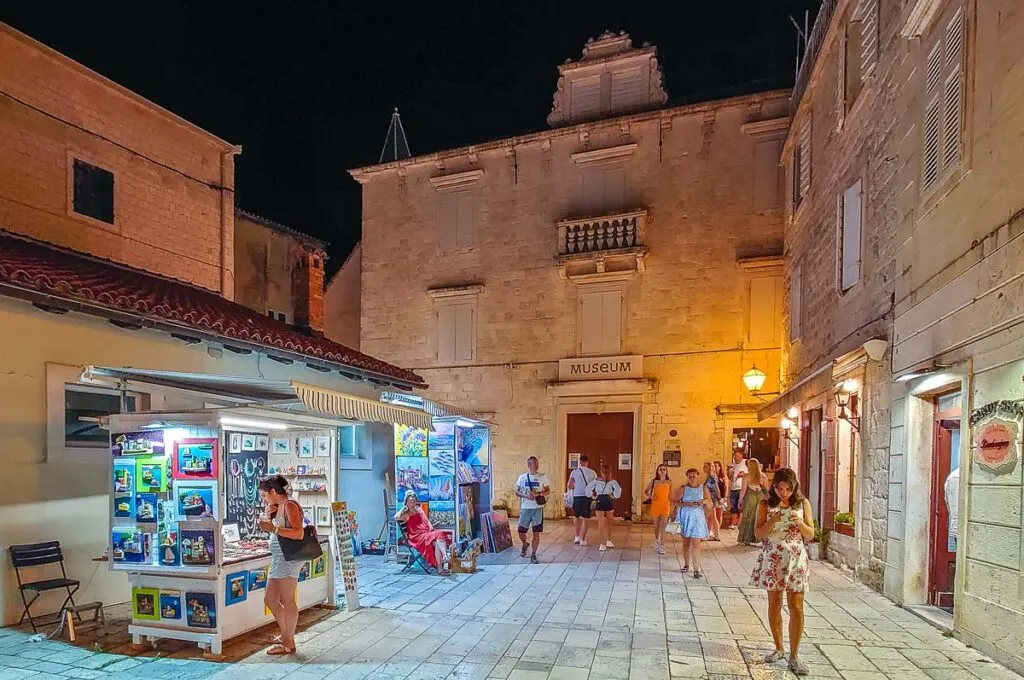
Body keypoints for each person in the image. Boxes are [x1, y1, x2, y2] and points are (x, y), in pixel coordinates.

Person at [751, 467, 814, 676]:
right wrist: (773, 520)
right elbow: (758, 533)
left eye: (788, 489)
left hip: (796, 558)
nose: (784, 493)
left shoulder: (802, 503)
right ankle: (779, 647)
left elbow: (811, 533)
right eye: (780, 488)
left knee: (796, 605)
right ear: (774, 487)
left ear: (794, 487)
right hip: (774, 558)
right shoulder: (765, 504)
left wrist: (799, 522)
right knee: (775, 603)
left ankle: (794, 655)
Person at [256, 474, 306, 656]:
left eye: (264, 495)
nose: (264, 499)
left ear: (272, 491)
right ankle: (286, 635)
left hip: (289, 558)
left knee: (287, 599)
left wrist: (274, 528)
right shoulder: (278, 507)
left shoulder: (290, 505)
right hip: (279, 558)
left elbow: (299, 533)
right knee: (270, 599)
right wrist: (270, 518)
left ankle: (288, 641)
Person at [395, 490, 452, 576]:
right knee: (439, 533)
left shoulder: (418, 509)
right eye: (410, 502)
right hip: (416, 537)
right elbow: (396, 517)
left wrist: (431, 527)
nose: (413, 503)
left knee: (437, 542)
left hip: (425, 533)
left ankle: (440, 569)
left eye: (414, 501)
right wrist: (403, 507)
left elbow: (426, 520)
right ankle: (445, 556)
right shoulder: (406, 514)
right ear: (406, 502)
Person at [674, 468, 711, 578]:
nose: (692, 478)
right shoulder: (683, 489)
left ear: (697, 476)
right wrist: (687, 503)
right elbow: (675, 502)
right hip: (686, 517)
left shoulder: (703, 488)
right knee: (686, 543)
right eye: (689, 476)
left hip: (698, 518)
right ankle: (686, 564)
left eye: (694, 476)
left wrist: (703, 501)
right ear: (687, 477)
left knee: (696, 544)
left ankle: (696, 569)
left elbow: (710, 502)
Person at [515, 456, 550, 563]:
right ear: (529, 465)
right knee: (521, 531)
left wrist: (538, 494)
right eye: (533, 463)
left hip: (537, 508)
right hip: (525, 507)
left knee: (536, 532)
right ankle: (525, 543)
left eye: (537, 463)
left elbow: (548, 491)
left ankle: (534, 554)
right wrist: (526, 496)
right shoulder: (522, 477)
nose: (536, 465)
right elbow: (516, 491)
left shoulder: (543, 477)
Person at [586, 464, 622, 551]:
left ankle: (603, 543)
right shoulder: (612, 481)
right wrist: (614, 495)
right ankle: (607, 540)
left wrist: (592, 496)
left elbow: (587, 489)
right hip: (608, 500)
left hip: (600, 499)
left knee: (601, 523)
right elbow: (618, 491)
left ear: (601, 472)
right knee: (609, 522)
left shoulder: (597, 481)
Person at [568, 454, 597, 546]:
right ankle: (583, 539)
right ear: (587, 462)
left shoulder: (574, 472)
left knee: (576, 516)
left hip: (577, 496)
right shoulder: (592, 472)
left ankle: (577, 536)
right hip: (587, 497)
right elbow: (595, 485)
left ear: (580, 462)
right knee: (586, 518)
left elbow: (570, 485)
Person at [644, 464, 673, 554]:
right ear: (657, 471)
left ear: (667, 471)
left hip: (666, 505)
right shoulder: (654, 481)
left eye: (664, 469)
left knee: (663, 526)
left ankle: (662, 545)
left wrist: (673, 506)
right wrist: (651, 496)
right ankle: (657, 539)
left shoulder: (669, 482)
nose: (662, 471)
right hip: (656, 505)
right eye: (661, 469)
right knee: (656, 526)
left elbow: (671, 495)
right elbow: (646, 491)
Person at [737, 458, 766, 545]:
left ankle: (745, 539)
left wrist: (740, 500)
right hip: (761, 497)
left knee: (748, 517)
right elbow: (766, 490)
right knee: (759, 517)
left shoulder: (746, 476)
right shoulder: (763, 476)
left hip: (750, 497)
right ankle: (758, 539)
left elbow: (743, 490)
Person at [728, 449, 748, 529]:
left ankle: (741, 523)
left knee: (742, 506)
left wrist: (744, 474)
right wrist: (729, 474)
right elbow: (730, 478)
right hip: (733, 488)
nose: (734, 457)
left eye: (736, 455)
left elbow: (752, 472)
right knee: (733, 506)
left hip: (742, 487)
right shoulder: (733, 465)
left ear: (740, 455)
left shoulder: (745, 462)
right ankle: (733, 523)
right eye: (734, 455)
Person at [702, 462, 722, 541]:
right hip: (710, 499)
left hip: (711, 499)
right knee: (711, 517)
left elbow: (716, 489)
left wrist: (719, 498)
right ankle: (710, 534)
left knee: (710, 517)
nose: (704, 468)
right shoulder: (710, 477)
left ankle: (714, 535)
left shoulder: (711, 478)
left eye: (706, 467)